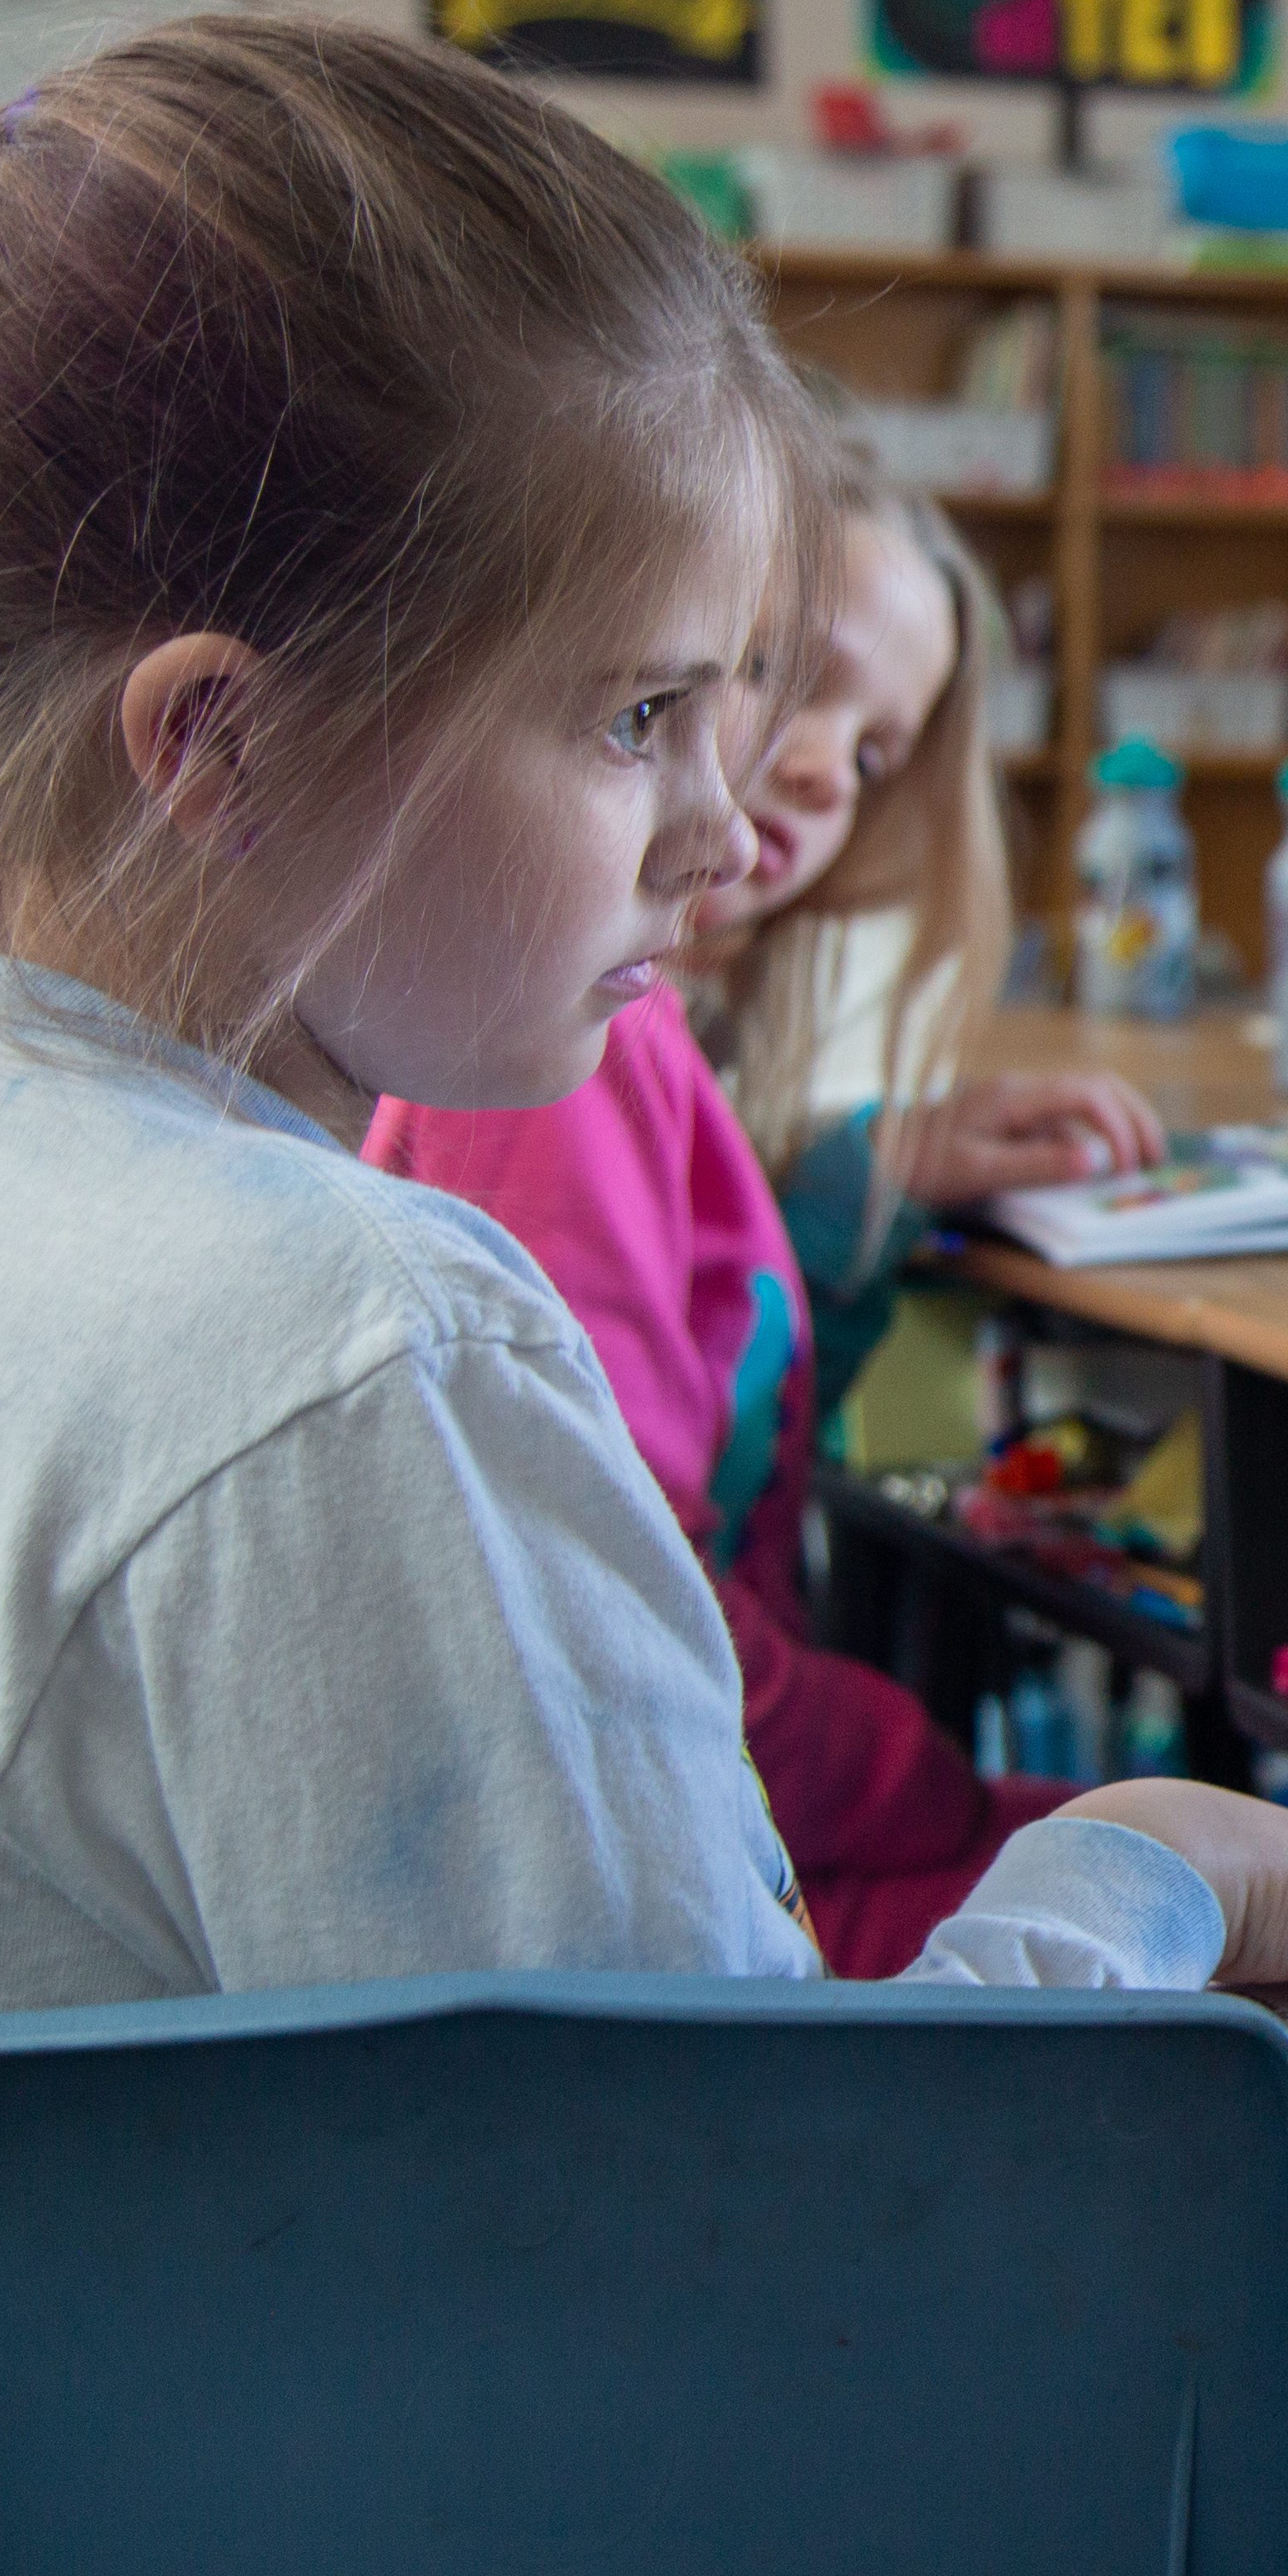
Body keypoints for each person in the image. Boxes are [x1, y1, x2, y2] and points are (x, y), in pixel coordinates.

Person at [0, 16, 1288, 2377]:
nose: (728, 835)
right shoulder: (352, 1341)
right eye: (635, 720)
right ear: (218, 740)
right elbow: (759, 2305)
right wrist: (1156, 1869)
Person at [370, 459, 1166, 1974]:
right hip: (677, 1876)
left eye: (875, 753)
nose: (825, 779)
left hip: (709, 1819)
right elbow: (635, 1629)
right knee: (1218, 1876)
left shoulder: (625, 1028)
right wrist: (920, 1765)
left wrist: (858, 1173)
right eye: (789, 680)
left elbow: (687, 1370)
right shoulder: (557, 1057)